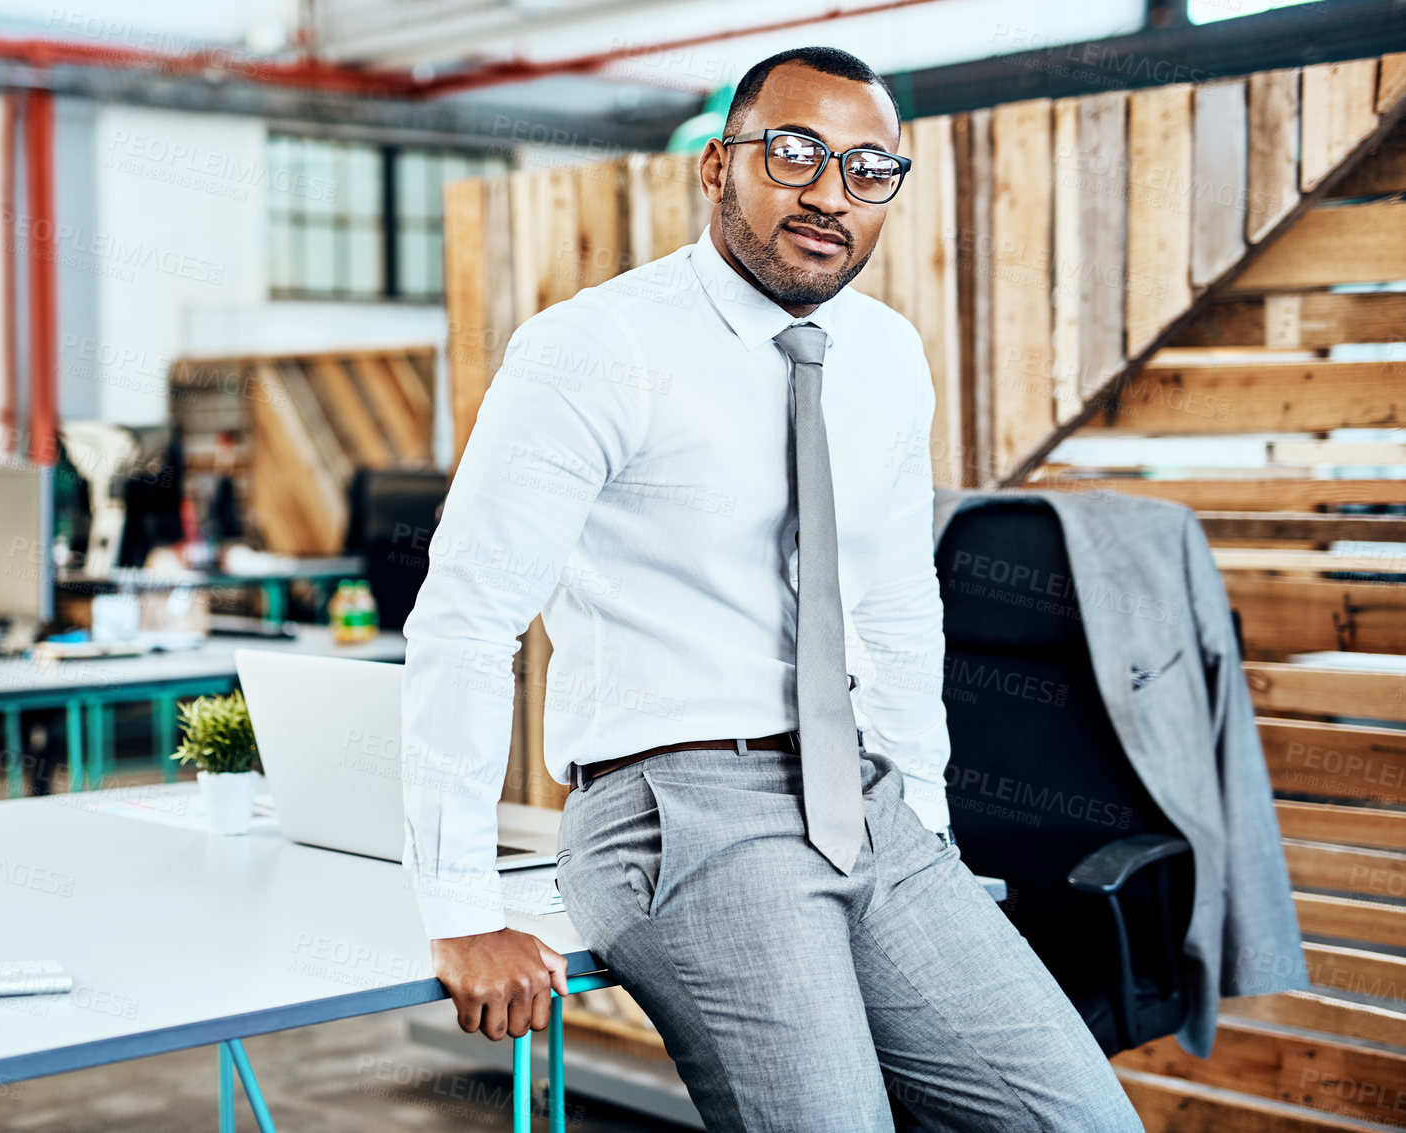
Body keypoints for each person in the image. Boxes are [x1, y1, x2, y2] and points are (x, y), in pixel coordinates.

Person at [397, 46, 1143, 1132]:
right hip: (677, 806)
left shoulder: (885, 354)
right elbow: (466, 619)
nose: (828, 194)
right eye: (794, 154)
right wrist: (458, 904)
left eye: (865, 169)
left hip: (870, 806)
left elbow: (893, 606)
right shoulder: (594, 348)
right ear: (716, 168)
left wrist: (924, 822)